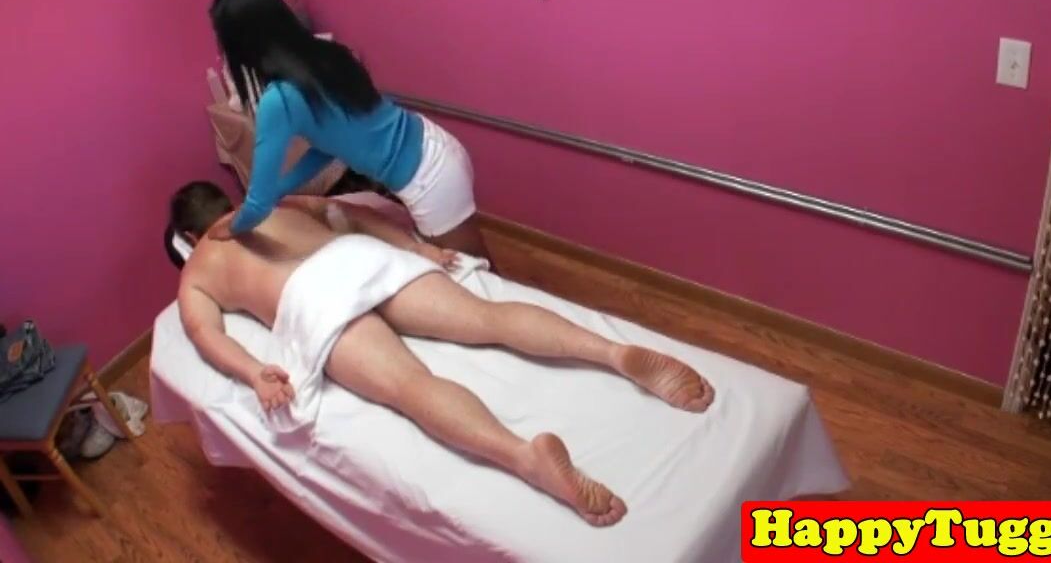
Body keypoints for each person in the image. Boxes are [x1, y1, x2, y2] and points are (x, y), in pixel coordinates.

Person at [169, 181, 715, 527]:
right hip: (356, 257)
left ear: (191, 235)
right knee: (487, 319)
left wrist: (255, 373)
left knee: (412, 387)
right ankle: (613, 353)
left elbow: (204, 334)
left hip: (312, 299)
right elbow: (350, 216)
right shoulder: (277, 203)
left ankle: (525, 457)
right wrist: (417, 248)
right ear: (226, 200)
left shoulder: (197, 269)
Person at [207, 0, 491, 262]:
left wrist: (225, 229)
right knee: (478, 266)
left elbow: (258, 204)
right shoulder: (327, 54)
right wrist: (282, 188)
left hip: (428, 179)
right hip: (435, 146)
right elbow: (331, 147)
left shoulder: (278, 100)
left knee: (468, 273)